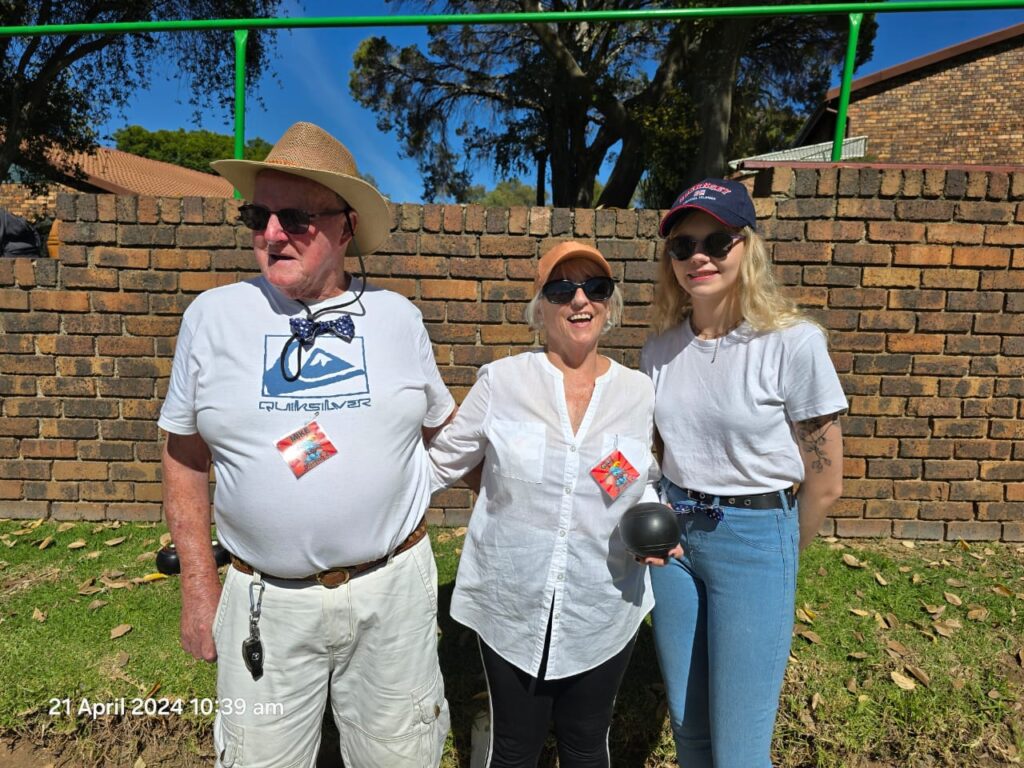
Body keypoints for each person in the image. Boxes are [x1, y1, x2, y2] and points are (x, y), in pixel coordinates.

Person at [158, 121, 453, 767]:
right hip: (264, 600)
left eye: (294, 217)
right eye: (256, 216)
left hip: (392, 593)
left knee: (400, 756)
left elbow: (444, 432)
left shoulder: (398, 318)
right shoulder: (211, 318)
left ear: (346, 229)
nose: (271, 234)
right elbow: (183, 456)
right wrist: (199, 587)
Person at [428, 241, 659, 768]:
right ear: (540, 308)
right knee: (514, 747)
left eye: (595, 287)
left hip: (603, 602)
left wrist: (654, 524)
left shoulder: (638, 392)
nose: (580, 300)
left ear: (610, 303)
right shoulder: (504, 382)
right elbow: (441, 462)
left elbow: (641, 480)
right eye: (561, 289)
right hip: (512, 599)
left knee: (586, 744)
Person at [640, 179, 847, 768]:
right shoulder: (659, 351)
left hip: (756, 540)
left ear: (746, 246)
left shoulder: (793, 344)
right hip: (675, 542)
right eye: (683, 246)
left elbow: (826, 482)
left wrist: (776, 554)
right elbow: (654, 453)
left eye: (717, 241)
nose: (698, 257)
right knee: (690, 731)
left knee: (738, 750)